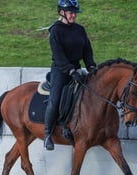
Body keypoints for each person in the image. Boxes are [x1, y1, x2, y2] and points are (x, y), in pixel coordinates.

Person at [44, 0, 97, 150]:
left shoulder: (80, 29)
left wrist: (91, 66)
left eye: (75, 13)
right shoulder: (55, 31)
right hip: (60, 70)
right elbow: (59, 56)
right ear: (62, 12)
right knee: (55, 100)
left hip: (76, 69)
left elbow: (87, 50)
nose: (74, 15)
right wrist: (71, 71)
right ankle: (47, 133)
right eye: (71, 12)